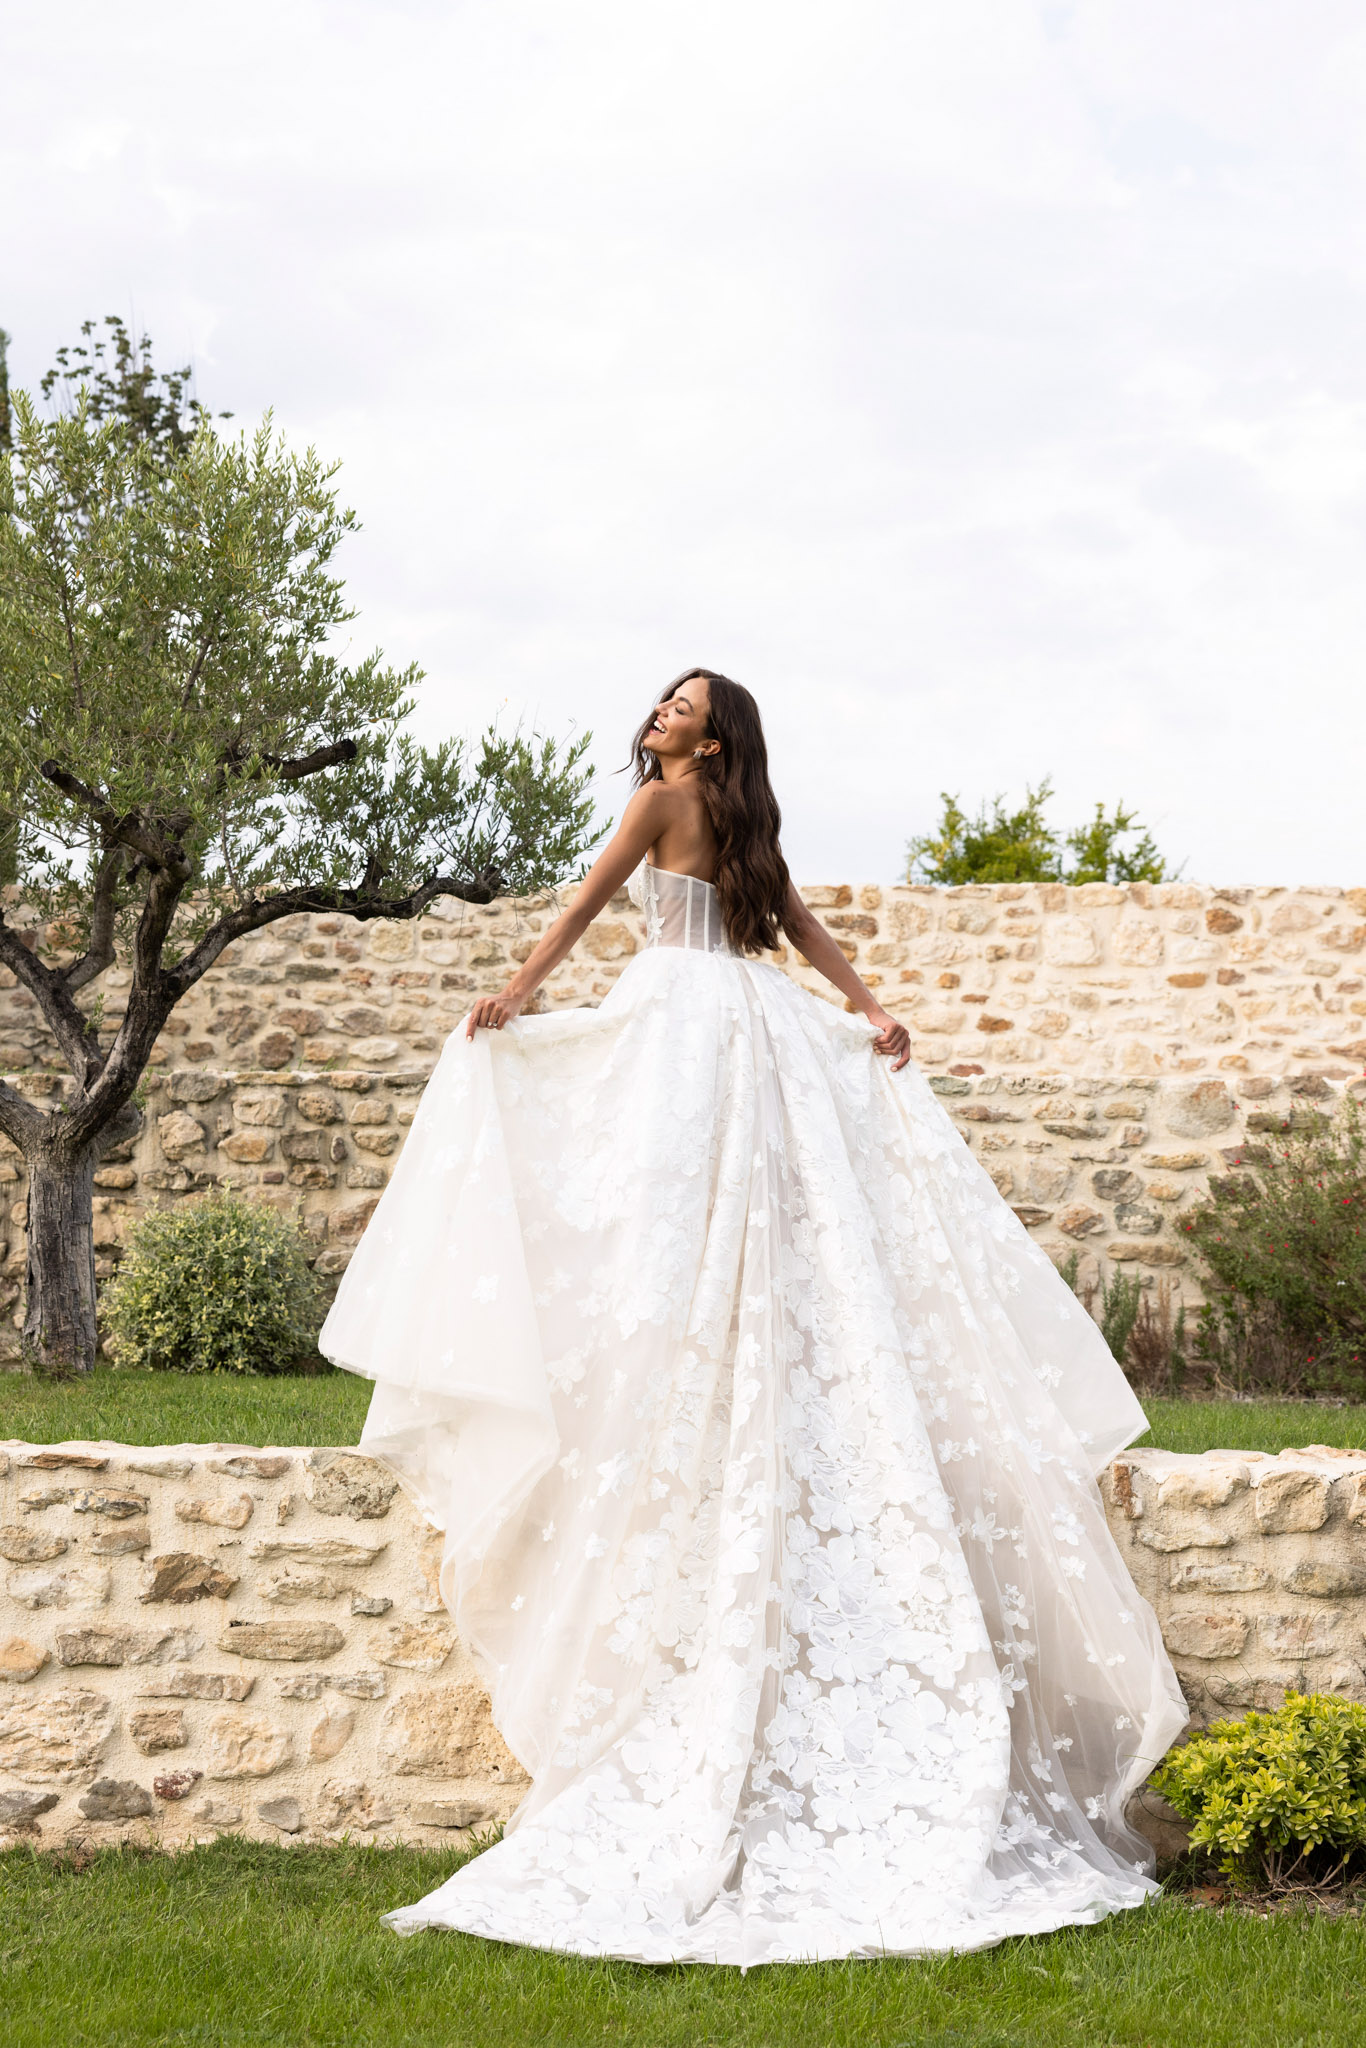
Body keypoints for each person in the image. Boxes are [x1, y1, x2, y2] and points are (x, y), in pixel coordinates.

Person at [320, 667, 1188, 1967]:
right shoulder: (718, 817)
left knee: (689, 1208)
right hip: (742, 1022)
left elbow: (594, 906)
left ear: (708, 735)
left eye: (677, 705)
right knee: (744, 1208)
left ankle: (711, 1373)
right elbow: (787, 931)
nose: (656, 715)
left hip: (690, 1021)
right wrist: (862, 1006)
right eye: (660, 704)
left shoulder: (667, 803)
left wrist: (524, 987)